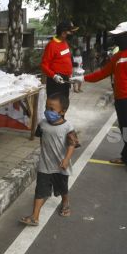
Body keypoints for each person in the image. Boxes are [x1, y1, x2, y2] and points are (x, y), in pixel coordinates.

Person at [72, 21, 127, 174]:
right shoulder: (118, 55)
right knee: (126, 129)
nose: (116, 39)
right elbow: (103, 73)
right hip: (120, 97)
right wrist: (83, 78)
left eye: (119, 36)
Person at [20, 94, 80, 225]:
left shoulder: (67, 127)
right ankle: (35, 216)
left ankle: (65, 202)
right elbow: (42, 140)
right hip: (45, 165)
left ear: (63, 111)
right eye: (46, 107)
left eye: (52, 109)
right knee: (40, 191)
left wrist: (66, 160)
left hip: (60, 166)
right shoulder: (42, 124)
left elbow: (72, 144)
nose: (48, 111)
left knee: (62, 187)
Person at [40, 21, 79, 100]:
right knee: (54, 107)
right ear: (63, 33)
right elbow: (44, 65)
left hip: (65, 80)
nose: (72, 34)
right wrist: (54, 76)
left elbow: (66, 59)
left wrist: (70, 74)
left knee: (63, 106)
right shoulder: (51, 45)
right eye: (70, 32)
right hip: (55, 81)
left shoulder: (65, 43)